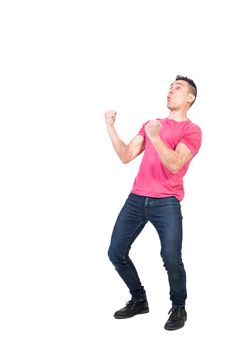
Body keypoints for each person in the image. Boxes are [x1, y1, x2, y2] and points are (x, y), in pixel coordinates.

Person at [104, 75, 202, 331]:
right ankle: (139, 300)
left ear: (189, 98)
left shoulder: (191, 131)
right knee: (116, 252)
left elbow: (175, 163)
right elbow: (126, 155)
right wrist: (110, 127)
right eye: (170, 87)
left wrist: (156, 138)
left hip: (167, 201)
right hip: (137, 198)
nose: (171, 91)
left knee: (171, 258)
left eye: (177, 88)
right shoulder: (151, 123)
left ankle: (178, 307)